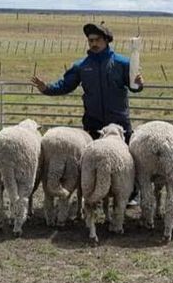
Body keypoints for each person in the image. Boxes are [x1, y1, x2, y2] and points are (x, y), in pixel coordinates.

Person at [30, 22, 144, 205]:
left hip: (119, 122)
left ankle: (130, 194)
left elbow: (134, 87)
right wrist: (47, 88)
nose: (93, 43)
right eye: (90, 40)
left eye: (97, 39)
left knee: (127, 159)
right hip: (93, 122)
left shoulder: (122, 63)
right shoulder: (82, 66)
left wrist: (138, 83)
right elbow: (65, 85)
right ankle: (92, 194)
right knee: (90, 160)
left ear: (106, 40)